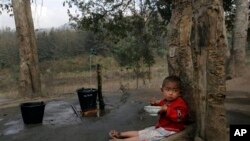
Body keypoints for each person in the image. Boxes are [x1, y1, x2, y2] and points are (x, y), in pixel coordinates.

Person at [108, 75, 189, 141]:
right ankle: (121, 134)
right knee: (143, 132)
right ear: (162, 90)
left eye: (175, 91)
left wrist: (167, 110)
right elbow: (160, 107)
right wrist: (154, 104)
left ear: (179, 92)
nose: (171, 93)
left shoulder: (180, 103)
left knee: (147, 136)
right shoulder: (165, 101)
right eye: (168, 90)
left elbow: (180, 116)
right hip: (162, 127)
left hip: (171, 130)